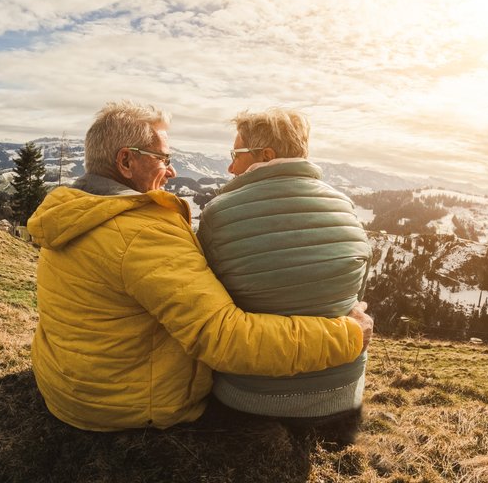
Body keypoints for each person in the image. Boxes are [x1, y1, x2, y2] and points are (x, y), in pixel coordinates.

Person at [27, 101, 373, 432]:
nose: (172, 170)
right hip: (124, 406)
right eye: (163, 158)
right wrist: (349, 334)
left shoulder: (75, 211)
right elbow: (225, 338)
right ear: (126, 162)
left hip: (68, 388)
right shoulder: (142, 234)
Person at [196, 108, 372, 444]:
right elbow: (356, 296)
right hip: (341, 393)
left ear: (266, 156)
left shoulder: (219, 213)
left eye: (236, 155)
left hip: (251, 397)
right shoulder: (345, 206)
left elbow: (210, 301)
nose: (231, 167)